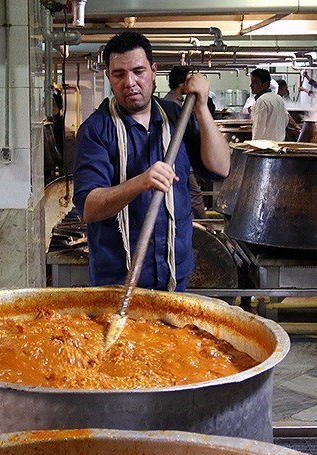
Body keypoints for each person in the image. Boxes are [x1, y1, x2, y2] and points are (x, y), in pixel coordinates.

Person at [72, 31, 230, 292]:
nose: (130, 82)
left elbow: (220, 167)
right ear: (109, 78)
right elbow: (89, 207)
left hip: (174, 271)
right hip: (118, 277)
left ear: (154, 71)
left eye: (138, 71)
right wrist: (140, 182)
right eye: (119, 74)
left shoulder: (177, 117)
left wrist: (201, 107)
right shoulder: (96, 130)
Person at [163, 65, 210, 219]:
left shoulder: (174, 102)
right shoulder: (172, 106)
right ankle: (204, 228)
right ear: (182, 83)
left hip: (177, 160)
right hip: (176, 160)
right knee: (194, 195)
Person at [249, 68, 290, 142]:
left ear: (264, 85)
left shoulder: (261, 101)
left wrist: (254, 146)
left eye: (255, 82)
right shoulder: (278, 98)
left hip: (265, 147)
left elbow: (258, 128)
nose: (251, 85)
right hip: (279, 145)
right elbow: (286, 120)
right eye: (251, 82)